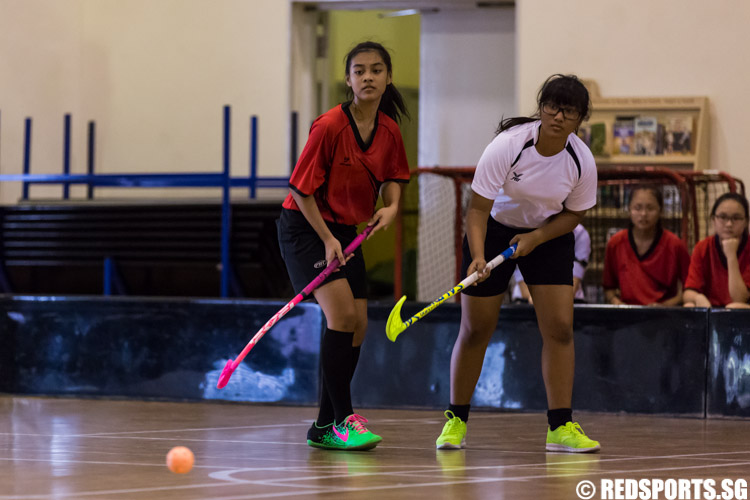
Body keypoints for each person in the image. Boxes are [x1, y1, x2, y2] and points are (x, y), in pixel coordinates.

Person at [435, 74, 600, 453]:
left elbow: (573, 215)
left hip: (549, 234)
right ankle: (455, 421)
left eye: (569, 110)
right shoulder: (508, 146)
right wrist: (478, 255)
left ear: (579, 119)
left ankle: (560, 427)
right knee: (477, 328)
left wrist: (537, 238)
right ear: (541, 107)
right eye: (552, 106)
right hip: (492, 231)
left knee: (560, 328)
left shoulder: (581, 160)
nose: (558, 116)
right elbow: (477, 210)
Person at [277, 41, 410, 450]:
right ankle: (343, 420)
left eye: (375, 70)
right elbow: (301, 190)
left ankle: (321, 427)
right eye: (359, 71)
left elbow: (394, 179)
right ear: (348, 79)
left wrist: (391, 207)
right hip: (307, 228)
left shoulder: (388, 129)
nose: (367, 77)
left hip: (349, 232)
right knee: (342, 316)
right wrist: (328, 238)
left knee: (360, 323)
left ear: (388, 77)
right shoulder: (330, 126)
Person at [602, 186, 690, 306]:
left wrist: (664, 306)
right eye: (637, 208)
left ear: (661, 210)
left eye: (650, 208)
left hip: (664, 317)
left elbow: (689, 290)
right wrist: (617, 303)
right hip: (626, 315)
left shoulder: (675, 245)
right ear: (629, 210)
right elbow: (609, 288)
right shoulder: (615, 243)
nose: (643, 214)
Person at [683, 193, 750, 308]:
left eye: (736, 218)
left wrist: (731, 256)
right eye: (723, 217)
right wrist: (698, 297)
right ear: (713, 219)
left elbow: (740, 298)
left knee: (734, 307)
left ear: (746, 222)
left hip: (742, 310)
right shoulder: (703, 247)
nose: (729, 224)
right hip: (712, 310)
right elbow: (688, 292)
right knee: (689, 305)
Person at [512, 224, 591, 304]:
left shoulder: (580, 233)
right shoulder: (525, 226)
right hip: (526, 300)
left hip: (568, 299)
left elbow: (574, 280)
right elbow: (520, 273)